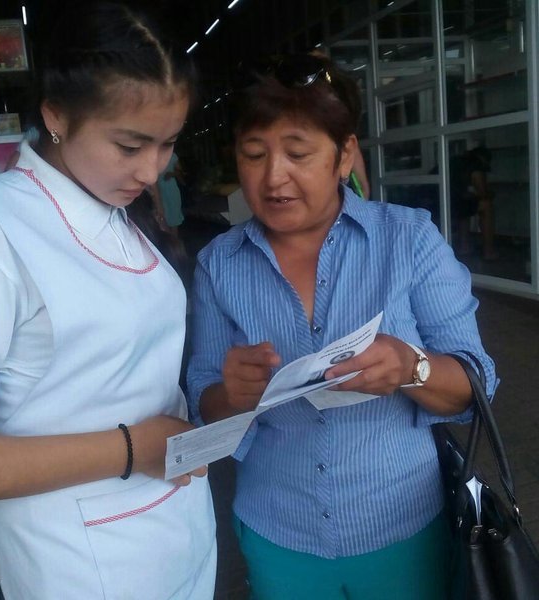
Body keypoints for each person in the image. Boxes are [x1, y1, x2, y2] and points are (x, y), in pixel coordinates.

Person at [187, 53, 496, 600]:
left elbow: (476, 385)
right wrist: (229, 395)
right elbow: (204, 405)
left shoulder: (408, 240)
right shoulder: (219, 264)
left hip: (402, 525)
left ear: (344, 154)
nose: (273, 176)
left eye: (297, 153)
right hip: (279, 529)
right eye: (253, 154)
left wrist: (411, 366)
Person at [0, 3, 216, 598]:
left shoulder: (109, 206)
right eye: (129, 145)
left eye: (167, 144)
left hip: (172, 527)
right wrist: (132, 447)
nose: (152, 171)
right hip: (76, 562)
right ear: (56, 115)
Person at [450, 146, 498, 260]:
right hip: (446, 201)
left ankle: (464, 247)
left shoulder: (456, 160)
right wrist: (491, 194)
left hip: (434, 199)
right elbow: (482, 192)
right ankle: (488, 252)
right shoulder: (476, 164)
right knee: (486, 205)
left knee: (465, 207)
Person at [152, 151, 185, 237]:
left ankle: (174, 241)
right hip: (158, 191)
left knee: (173, 217)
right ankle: (169, 241)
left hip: (171, 190)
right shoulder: (153, 155)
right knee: (162, 219)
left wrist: (172, 174)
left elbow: (180, 172)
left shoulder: (172, 155)